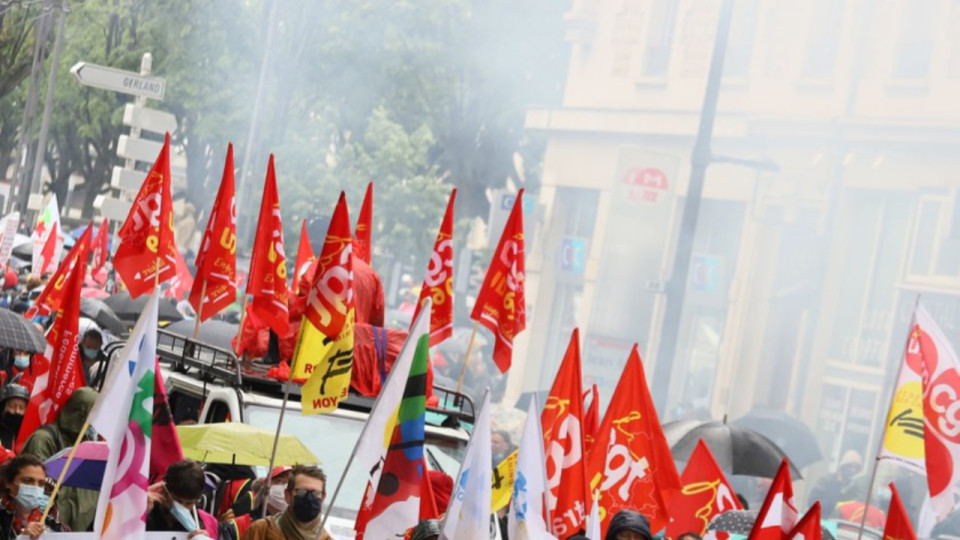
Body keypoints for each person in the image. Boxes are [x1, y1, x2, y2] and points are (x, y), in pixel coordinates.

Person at [19, 387, 97, 532]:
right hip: (43, 523)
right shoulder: (43, 439)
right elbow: (37, 483)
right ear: (81, 412)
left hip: (71, 527)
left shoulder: (84, 441)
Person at [242, 465, 333, 540]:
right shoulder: (260, 531)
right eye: (301, 492)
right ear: (287, 496)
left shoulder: (326, 538)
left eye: (315, 493)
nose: (309, 498)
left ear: (323, 497)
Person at [146, 459, 219, 538]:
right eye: (177, 501)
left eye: (188, 503)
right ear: (165, 491)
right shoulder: (147, 511)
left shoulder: (200, 524)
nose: (182, 507)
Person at [0, 454, 64, 540]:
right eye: (27, 481)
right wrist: (22, 538)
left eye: (41, 483)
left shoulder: (51, 522)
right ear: (8, 483)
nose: (35, 487)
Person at [809, 449, 861, 517]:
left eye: (856, 467)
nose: (853, 470)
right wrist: (835, 505)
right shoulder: (826, 480)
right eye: (850, 466)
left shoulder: (853, 488)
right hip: (821, 521)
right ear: (843, 466)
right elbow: (812, 503)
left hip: (839, 524)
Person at [0, 384, 28, 450]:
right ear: (3, 407)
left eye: (21, 408)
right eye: (12, 406)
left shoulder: (27, 432)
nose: (17, 411)